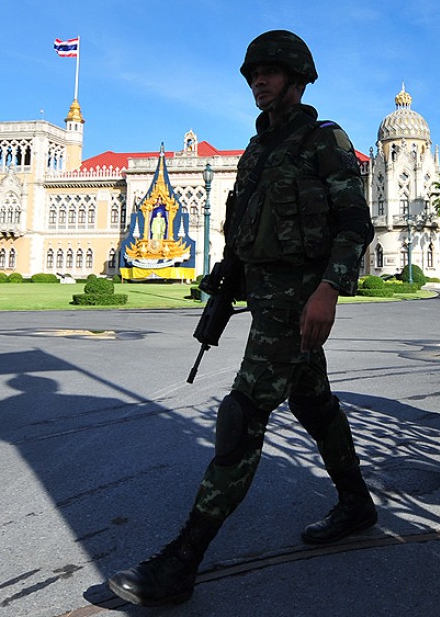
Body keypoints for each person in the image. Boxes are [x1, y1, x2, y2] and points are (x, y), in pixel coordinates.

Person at [107, 30, 376, 607]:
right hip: (265, 296)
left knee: (243, 413)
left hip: (299, 298)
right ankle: (356, 504)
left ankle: (182, 561)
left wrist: (330, 288)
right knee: (311, 401)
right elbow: (245, 228)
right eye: (254, 72)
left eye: (272, 71)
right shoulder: (257, 150)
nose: (259, 80)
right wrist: (226, 276)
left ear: (299, 78)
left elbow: (355, 223)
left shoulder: (323, 140)